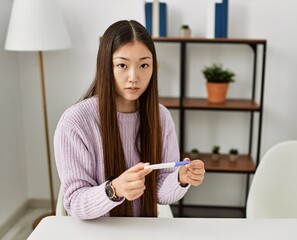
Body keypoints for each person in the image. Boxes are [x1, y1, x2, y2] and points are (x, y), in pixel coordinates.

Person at [54, 20, 205, 219]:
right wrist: (114, 189)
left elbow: (159, 192)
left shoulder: (161, 117)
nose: (134, 77)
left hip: (143, 230)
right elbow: (74, 202)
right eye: (122, 65)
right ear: (106, 66)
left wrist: (180, 178)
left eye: (144, 65)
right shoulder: (75, 122)